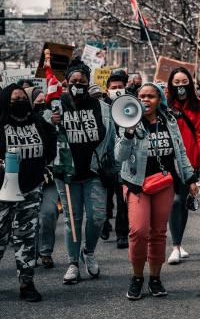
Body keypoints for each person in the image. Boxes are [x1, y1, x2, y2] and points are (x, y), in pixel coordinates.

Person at [115, 82, 198, 300]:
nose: (145, 100)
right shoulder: (127, 120)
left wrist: (190, 178)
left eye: (151, 96)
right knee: (139, 231)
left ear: (159, 99)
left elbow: (180, 151)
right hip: (137, 184)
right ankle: (136, 277)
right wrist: (129, 133)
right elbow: (119, 156)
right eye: (142, 96)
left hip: (163, 183)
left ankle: (154, 278)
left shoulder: (169, 121)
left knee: (158, 233)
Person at [51, 58, 116, 285]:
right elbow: (45, 132)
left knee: (97, 217)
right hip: (67, 173)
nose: (78, 84)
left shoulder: (102, 107)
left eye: (82, 81)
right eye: (74, 81)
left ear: (89, 83)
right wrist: (51, 122)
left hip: (94, 171)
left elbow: (112, 139)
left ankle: (88, 252)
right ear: (67, 82)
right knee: (73, 220)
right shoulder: (56, 105)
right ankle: (72, 263)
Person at [0, 84, 57, 301]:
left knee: (26, 238)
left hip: (30, 190)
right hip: (2, 192)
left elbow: (51, 141)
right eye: (14, 99)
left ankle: (27, 283)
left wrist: (42, 165)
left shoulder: (37, 121)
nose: (19, 102)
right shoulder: (1, 123)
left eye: (22, 98)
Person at [166, 67, 200, 264]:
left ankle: (177, 244)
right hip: (165, 160)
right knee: (174, 202)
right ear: (170, 84)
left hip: (188, 163)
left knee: (180, 202)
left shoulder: (198, 106)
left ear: (190, 84)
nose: (181, 86)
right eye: (177, 83)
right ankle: (175, 245)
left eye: (184, 82)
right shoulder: (164, 104)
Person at [25, 86, 59, 269]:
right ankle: (30, 252)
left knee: (48, 213)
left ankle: (45, 252)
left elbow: (55, 146)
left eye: (42, 101)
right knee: (29, 217)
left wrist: (54, 126)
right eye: (35, 101)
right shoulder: (18, 123)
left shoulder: (49, 120)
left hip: (49, 177)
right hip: (27, 179)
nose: (40, 104)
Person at [101, 69, 130, 247]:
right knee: (105, 198)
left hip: (123, 162)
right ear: (107, 90)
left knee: (123, 201)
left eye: (120, 87)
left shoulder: (130, 105)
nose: (117, 90)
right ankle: (104, 224)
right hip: (105, 161)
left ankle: (122, 234)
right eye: (114, 87)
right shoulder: (101, 107)